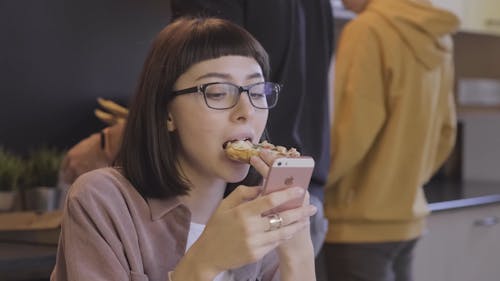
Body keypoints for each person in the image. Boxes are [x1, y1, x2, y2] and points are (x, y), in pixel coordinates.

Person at [51, 17, 318, 281]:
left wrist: (298, 251)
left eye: (257, 92)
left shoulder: (261, 212)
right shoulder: (103, 201)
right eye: (217, 92)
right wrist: (206, 261)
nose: (246, 111)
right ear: (168, 114)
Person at [323, 0, 459, 280]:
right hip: (408, 214)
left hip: (358, 220)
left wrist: (312, 184)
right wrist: (404, 181)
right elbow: (446, 132)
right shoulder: (437, 35)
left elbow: (352, 132)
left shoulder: (367, 30)